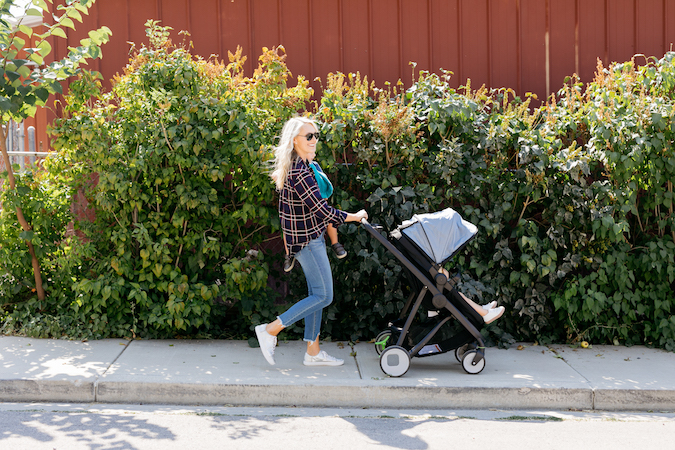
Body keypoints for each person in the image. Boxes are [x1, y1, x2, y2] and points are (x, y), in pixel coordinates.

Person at [256, 116, 368, 366]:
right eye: (309, 136)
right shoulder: (299, 171)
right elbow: (322, 210)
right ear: (295, 140)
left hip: (310, 236)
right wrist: (355, 217)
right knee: (324, 295)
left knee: (315, 293)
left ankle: (313, 352)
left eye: (316, 135)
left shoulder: (304, 166)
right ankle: (270, 330)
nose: (314, 140)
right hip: (306, 241)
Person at [283, 159, 345, 273]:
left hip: (317, 201)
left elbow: (322, 182)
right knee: (287, 227)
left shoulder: (313, 165)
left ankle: (335, 243)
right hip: (301, 210)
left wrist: (322, 196)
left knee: (330, 219)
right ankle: (289, 255)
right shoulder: (292, 169)